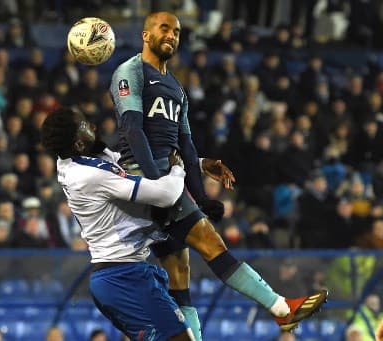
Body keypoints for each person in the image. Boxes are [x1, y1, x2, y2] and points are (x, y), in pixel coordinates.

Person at [109, 11, 327, 338]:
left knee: (179, 273)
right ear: (145, 34)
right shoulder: (130, 71)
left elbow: (186, 144)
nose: (171, 35)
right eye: (163, 28)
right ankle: (283, 309)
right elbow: (132, 130)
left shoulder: (176, 87)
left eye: (177, 32)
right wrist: (157, 184)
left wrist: (202, 195)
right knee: (210, 242)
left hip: (165, 181)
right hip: (143, 180)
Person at [42, 107, 193, 339]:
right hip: (124, 275)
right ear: (79, 145)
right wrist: (178, 169)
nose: (92, 126)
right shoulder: (87, 175)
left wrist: (197, 164)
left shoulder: (76, 160)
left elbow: (126, 165)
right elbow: (166, 195)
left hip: (116, 276)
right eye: (84, 125)